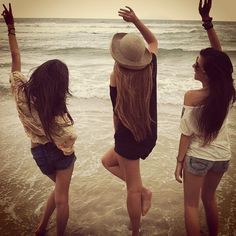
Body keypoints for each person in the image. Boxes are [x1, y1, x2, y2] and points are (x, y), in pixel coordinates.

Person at [2, 4, 77, 236]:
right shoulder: (56, 113)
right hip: (58, 154)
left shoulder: (20, 91)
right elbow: (68, 138)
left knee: (58, 191)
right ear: (60, 87)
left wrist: (11, 27)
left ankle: (41, 228)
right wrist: (68, 145)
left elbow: (15, 57)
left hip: (38, 154)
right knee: (63, 198)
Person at [174, 0, 236, 236]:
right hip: (222, 157)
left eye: (197, 65)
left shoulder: (192, 96)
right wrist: (207, 23)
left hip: (197, 157)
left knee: (190, 205)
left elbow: (185, 133)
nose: (193, 66)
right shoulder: (228, 92)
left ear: (207, 73)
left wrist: (179, 162)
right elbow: (221, 60)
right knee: (209, 200)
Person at [101, 6, 158, 236]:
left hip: (127, 136)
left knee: (131, 190)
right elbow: (152, 40)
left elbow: (116, 114)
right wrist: (135, 20)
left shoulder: (116, 77)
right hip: (149, 132)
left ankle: (135, 231)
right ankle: (144, 190)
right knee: (106, 161)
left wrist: (118, 138)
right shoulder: (151, 64)